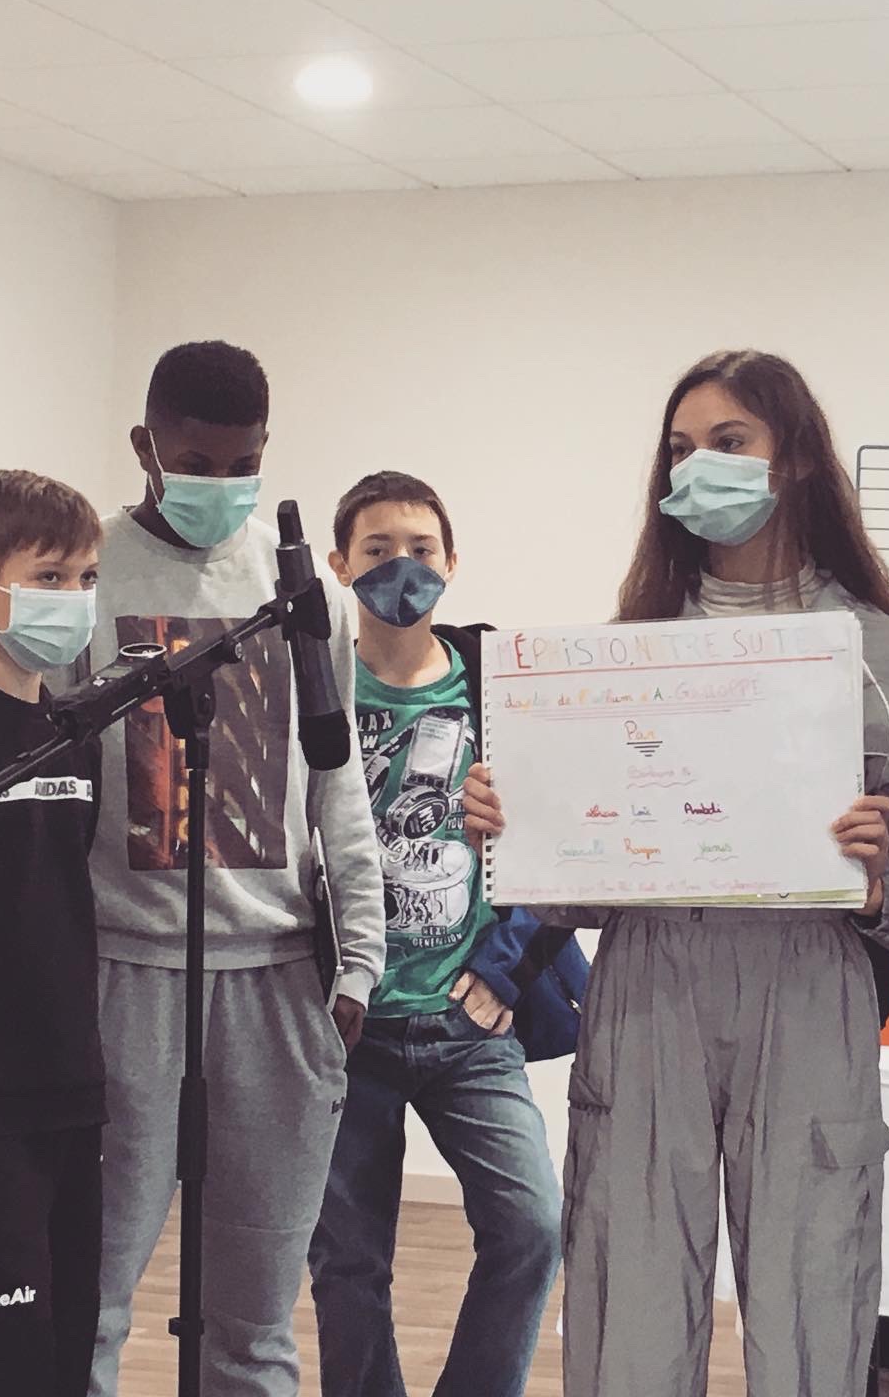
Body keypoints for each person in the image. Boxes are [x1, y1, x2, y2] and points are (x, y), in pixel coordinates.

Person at [465, 350, 889, 1397]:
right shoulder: (626, 655)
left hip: (809, 981)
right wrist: (517, 832)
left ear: (795, 459)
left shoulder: (879, 653)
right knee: (632, 1305)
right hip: (651, 982)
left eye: (729, 442)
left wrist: (880, 883)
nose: (699, 466)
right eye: (681, 449)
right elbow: (570, 888)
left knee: (813, 1298)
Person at [85, 342, 386, 1397]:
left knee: (254, 1327)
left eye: (243, 464)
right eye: (196, 462)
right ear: (145, 446)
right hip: (124, 971)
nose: (220, 484)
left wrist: (360, 965)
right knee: (93, 1306)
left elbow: (339, 782)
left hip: (275, 978)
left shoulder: (304, 590)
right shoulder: (91, 572)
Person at [309, 471, 562, 1397]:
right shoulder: (315, 690)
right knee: (347, 1260)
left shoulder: (499, 685)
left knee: (533, 1226)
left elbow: (562, 835)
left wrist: (506, 967)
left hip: (468, 1026)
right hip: (346, 1027)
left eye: (421, 549)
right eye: (377, 551)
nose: (402, 568)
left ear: (453, 561)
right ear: (340, 565)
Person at [0, 471, 103, 1397]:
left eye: (85, 578)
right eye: (48, 578)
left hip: (71, 1086)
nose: (73, 600)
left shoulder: (75, 733)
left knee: (65, 1347)